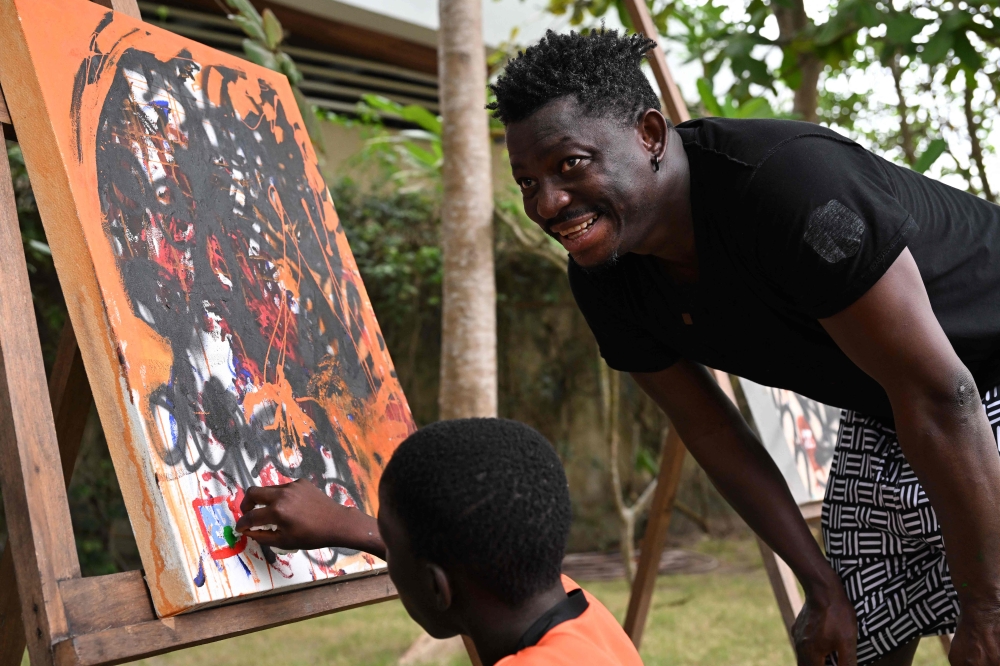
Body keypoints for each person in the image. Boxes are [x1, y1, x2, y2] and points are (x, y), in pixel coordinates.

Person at [487, 28, 1000, 666]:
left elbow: (941, 393)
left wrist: (988, 606)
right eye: (527, 182)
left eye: (569, 164)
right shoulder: (605, 275)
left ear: (649, 134)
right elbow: (711, 433)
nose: (550, 202)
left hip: (967, 378)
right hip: (900, 406)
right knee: (852, 636)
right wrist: (820, 586)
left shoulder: (789, 187)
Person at [235, 418, 643, 666]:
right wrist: (344, 522)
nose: (386, 551)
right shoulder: (579, 613)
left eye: (391, 547)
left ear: (436, 587)